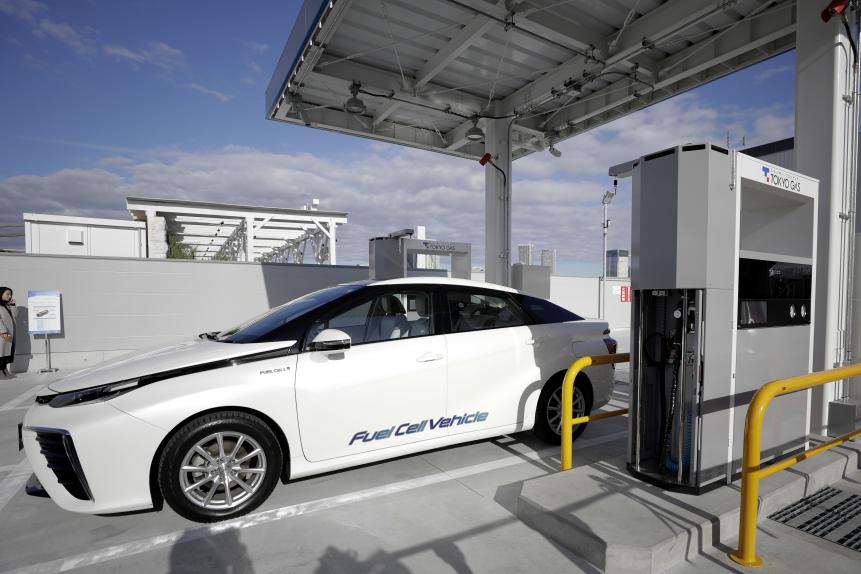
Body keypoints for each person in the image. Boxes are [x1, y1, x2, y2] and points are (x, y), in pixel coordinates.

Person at [0, 287, 15, 377]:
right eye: (7, 294)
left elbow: (15, 315)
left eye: (10, 294)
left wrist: (13, 305)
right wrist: (3, 331)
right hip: (2, 333)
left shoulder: (6, 306)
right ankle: (1, 372)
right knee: (1, 353)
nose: (9, 296)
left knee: (6, 353)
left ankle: (4, 370)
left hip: (9, 334)